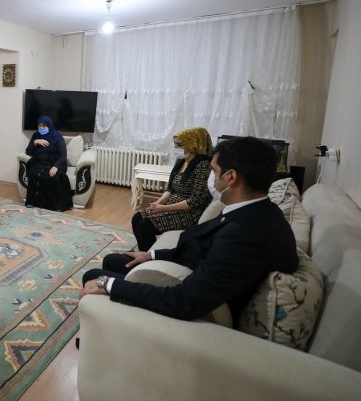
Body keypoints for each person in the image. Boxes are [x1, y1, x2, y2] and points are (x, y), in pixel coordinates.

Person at [80, 136, 299, 325]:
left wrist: (108, 284)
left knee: (93, 276)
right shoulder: (257, 211)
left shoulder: (244, 235)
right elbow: (207, 246)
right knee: (112, 260)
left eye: (214, 172)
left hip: (187, 287)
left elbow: (183, 301)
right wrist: (151, 255)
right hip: (192, 265)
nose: (211, 179)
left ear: (231, 177)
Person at [132, 127, 214, 251]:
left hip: (190, 213)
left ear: (193, 145)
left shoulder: (203, 166)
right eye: (175, 144)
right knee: (137, 218)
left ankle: (148, 256)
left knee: (145, 225)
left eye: (179, 145)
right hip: (173, 203)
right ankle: (143, 251)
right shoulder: (181, 160)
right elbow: (170, 188)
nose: (175, 147)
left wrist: (163, 208)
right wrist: (158, 203)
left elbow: (195, 201)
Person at [24, 115, 73, 211]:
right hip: (39, 163)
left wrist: (55, 167)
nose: (41, 128)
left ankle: (55, 205)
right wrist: (35, 142)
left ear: (49, 126)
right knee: (33, 173)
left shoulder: (57, 136)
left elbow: (63, 154)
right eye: (40, 125)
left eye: (44, 126)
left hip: (54, 163)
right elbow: (28, 151)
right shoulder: (36, 135)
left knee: (53, 177)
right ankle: (33, 202)